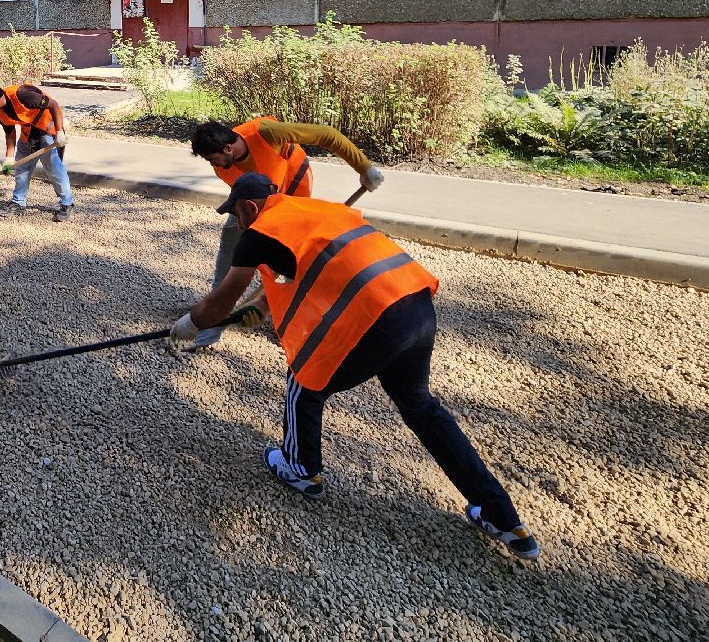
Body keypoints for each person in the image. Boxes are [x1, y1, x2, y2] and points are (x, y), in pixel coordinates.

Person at [170, 172, 541, 562]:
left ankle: (301, 467)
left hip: (374, 321)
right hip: (415, 306)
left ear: (249, 208)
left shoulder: (257, 232)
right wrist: (260, 308)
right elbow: (299, 266)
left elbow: (222, 299)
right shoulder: (313, 209)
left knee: (304, 380)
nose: (238, 224)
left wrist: (189, 325)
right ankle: (504, 518)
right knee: (422, 409)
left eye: (238, 215)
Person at [191, 116, 384, 285]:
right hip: (263, 194)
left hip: (294, 182)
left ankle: (290, 296)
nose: (212, 164)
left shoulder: (268, 133)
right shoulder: (223, 167)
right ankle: (219, 296)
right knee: (233, 232)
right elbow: (246, 202)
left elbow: (327, 134)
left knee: (293, 243)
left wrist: (364, 167)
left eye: (212, 159)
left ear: (228, 148)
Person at [0, 80, 72, 222]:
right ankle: (18, 203)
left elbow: (54, 105)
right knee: (22, 168)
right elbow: (10, 132)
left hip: (48, 130)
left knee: (54, 168)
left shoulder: (24, 95)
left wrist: (60, 132)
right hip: (28, 132)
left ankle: (67, 204)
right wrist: (9, 158)